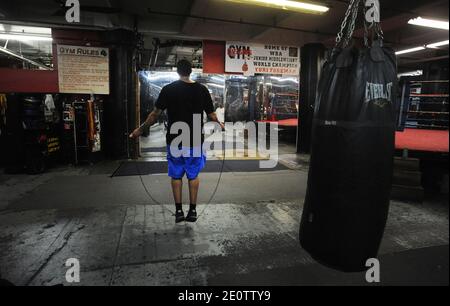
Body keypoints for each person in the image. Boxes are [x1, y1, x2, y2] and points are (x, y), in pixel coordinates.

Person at [130, 59, 224, 223]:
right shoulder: (202, 90)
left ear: (177, 71)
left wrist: (140, 129)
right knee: (193, 175)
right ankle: (193, 212)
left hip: (175, 140)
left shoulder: (168, 89)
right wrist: (220, 124)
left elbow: (154, 114)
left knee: (176, 175)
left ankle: (179, 211)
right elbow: (211, 114)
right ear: (191, 71)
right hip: (194, 139)